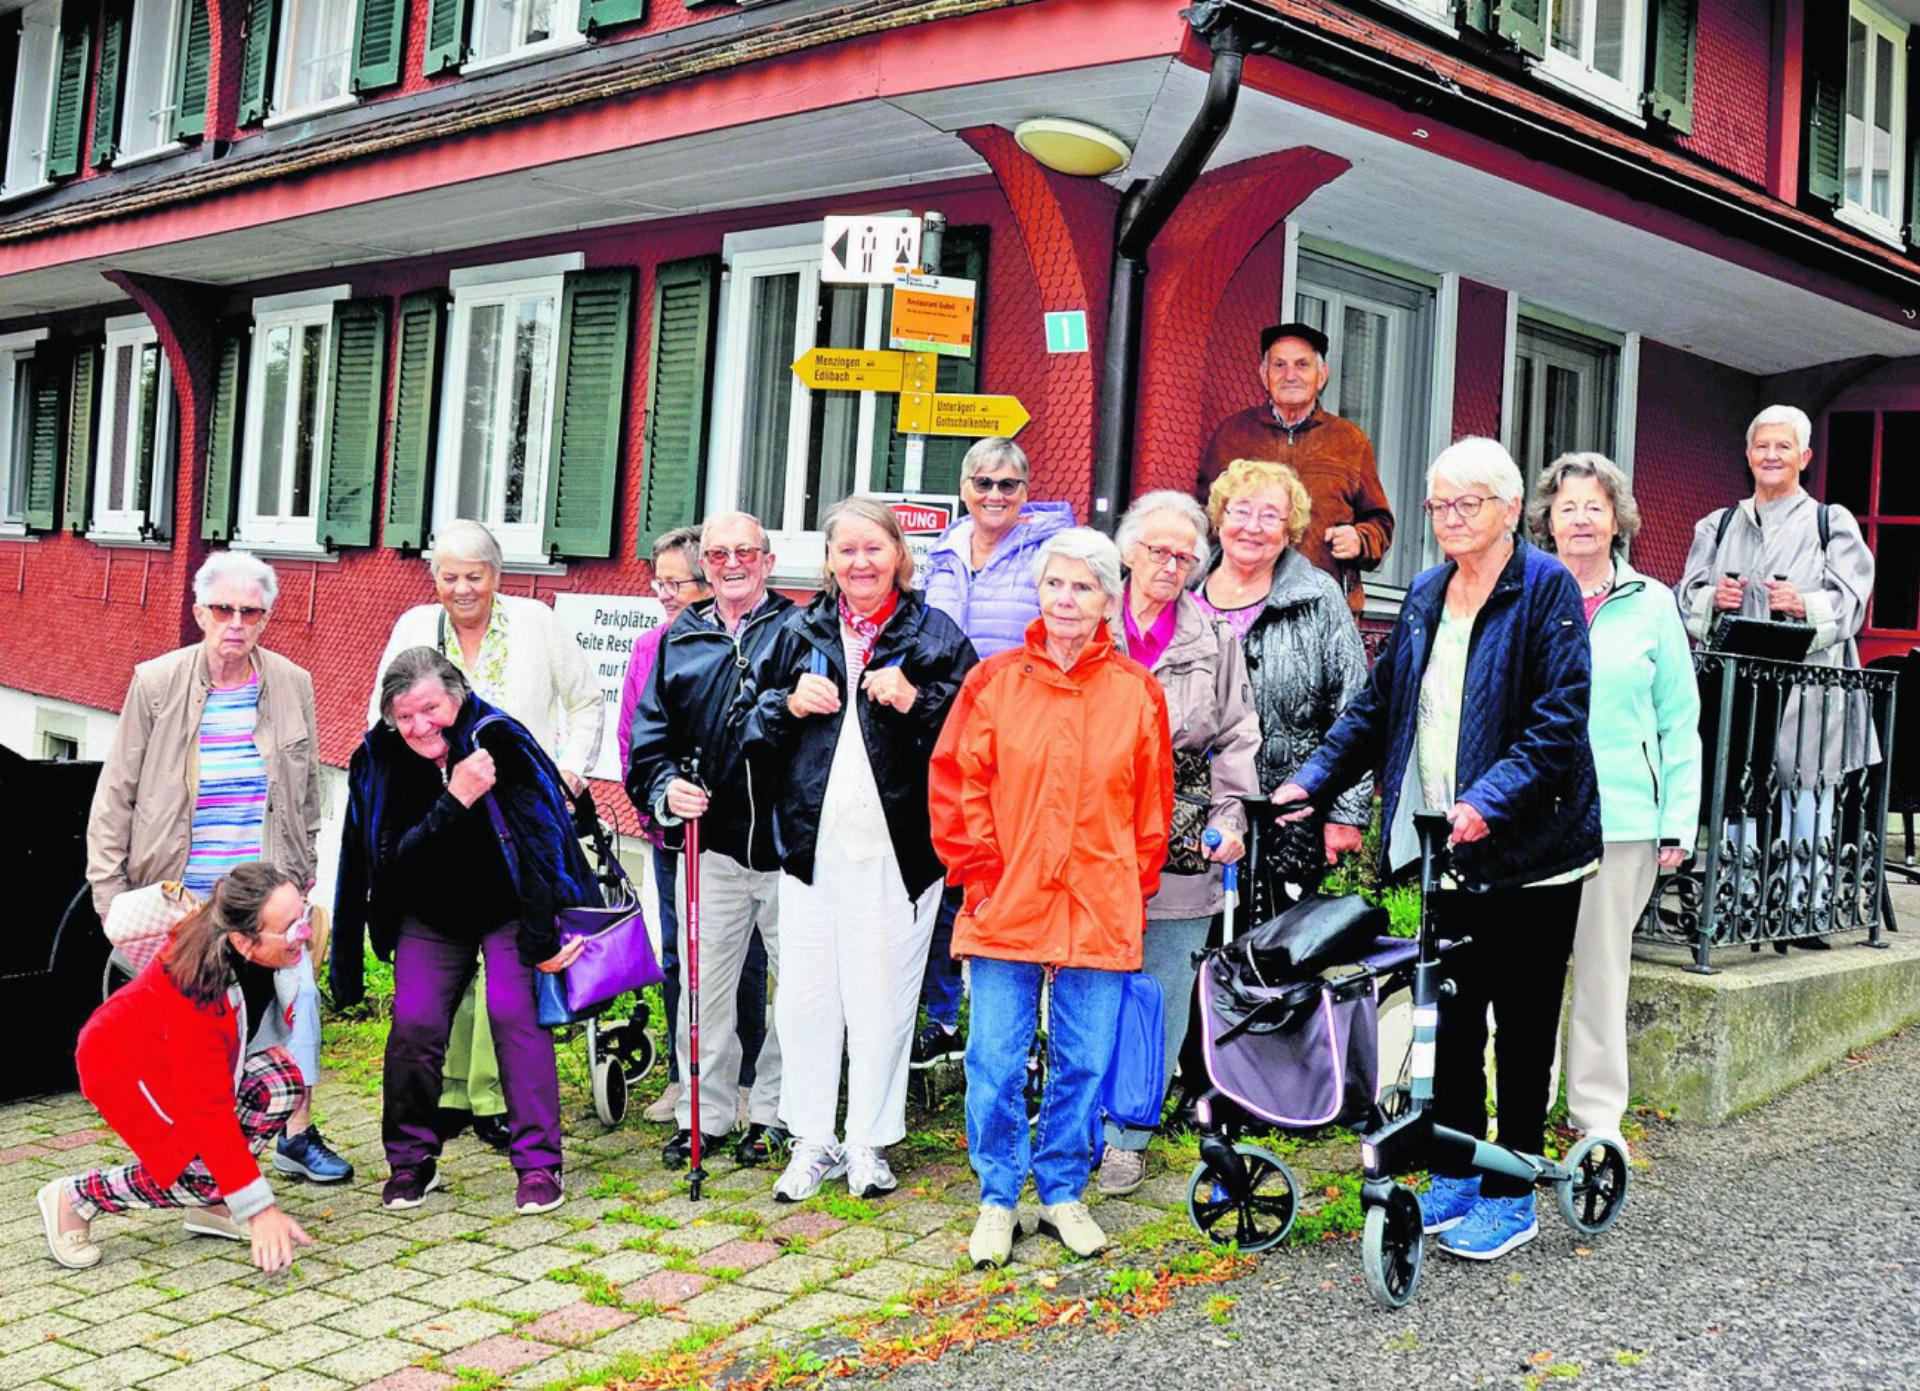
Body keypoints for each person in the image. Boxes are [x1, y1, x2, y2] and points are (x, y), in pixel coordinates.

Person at [1273, 437, 1601, 1263]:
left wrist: (1489, 801)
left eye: (1469, 504)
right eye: (1439, 505)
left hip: (1533, 852)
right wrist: (1309, 782)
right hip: (1442, 844)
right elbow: (1376, 708)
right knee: (1451, 1016)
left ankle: (1514, 1184)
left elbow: (1558, 722)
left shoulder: (1545, 587)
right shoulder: (1425, 592)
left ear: (1507, 509)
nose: (1452, 519)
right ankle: (1457, 1163)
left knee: (1522, 1023)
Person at [930, 528, 1174, 1267]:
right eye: (1054, 585)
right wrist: (984, 871)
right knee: (996, 1059)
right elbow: (956, 781)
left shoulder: (1137, 691)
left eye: (1083, 587)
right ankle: (998, 1196)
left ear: (1108, 598)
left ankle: (1063, 1188)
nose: (1066, 600)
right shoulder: (995, 681)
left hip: (1099, 904)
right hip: (1008, 899)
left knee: (1083, 1060)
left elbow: (1152, 810)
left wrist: (1126, 885)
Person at [85, 551, 350, 1190]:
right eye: (224, 609)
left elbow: (307, 789)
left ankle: (296, 1134)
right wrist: (109, 892)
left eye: (250, 611)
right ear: (200, 611)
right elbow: (116, 791)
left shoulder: (292, 683)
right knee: (196, 1027)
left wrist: (304, 867)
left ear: (265, 617)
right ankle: (199, 1150)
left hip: (264, 893)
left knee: (293, 1004)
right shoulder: (156, 682)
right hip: (182, 895)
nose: (236, 623)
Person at [742, 497, 976, 1202]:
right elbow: (743, 720)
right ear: (830, 561)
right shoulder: (796, 629)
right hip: (812, 849)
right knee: (807, 1000)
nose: (861, 562)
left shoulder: (932, 631)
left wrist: (917, 700)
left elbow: (974, 728)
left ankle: (870, 1142)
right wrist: (785, 705)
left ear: (900, 555)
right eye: (846, 550)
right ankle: (813, 1138)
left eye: (874, 548)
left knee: (883, 999)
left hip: (899, 854)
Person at [333, 648, 600, 1215]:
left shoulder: (498, 738)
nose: (419, 726)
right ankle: (410, 1162)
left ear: (456, 695)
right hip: (428, 915)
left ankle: (538, 1164)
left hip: (509, 908)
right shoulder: (379, 759)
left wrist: (544, 939)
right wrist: (455, 799)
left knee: (513, 1014)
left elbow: (544, 846)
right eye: (404, 716)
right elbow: (387, 868)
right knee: (415, 1023)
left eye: (430, 708)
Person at [366, 520, 603, 1150]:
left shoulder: (536, 624)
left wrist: (570, 773)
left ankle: (494, 1099)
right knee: (441, 976)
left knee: (510, 983)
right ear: (433, 578)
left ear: (498, 575)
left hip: (517, 832)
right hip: (441, 826)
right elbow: (383, 718)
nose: (462, 588)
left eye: (476, 575)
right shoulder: (415, 629)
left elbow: (585, 702)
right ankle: (449, 1094)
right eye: (450, 576)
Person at [1529, 453, 1701, 1149]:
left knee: (1601, 972)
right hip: (1533, 818)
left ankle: (1595, 1118)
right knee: (1525, 967)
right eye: (1566, 507)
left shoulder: (1652, 602)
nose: (1579, 519)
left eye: (1593, 507)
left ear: (1616, 519)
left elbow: (1678, 719)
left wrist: (1676, 818)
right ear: (1547, 518)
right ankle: (1518, 1102)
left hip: (1624, 821)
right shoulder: (1527, 593)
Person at [1093, 491, 1258, 1197]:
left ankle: (1127, 1134)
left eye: (1184, 555)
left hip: (1182, 830)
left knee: (1158, 990)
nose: (1169, 564)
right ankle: (1073, 1120)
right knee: (1088, 983)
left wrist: (1232, 819)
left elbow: (1237, 737)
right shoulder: (1085, 619)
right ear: (1127, 551)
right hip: (1091, 831)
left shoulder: (1214, 638)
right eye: (1157, 550)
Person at [39, 863, 316, 1274]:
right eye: (292, 926)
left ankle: (212, 1202)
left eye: (304, 915)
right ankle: (77, 1196)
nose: (305, 932)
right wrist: (259, 1209)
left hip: (183, 1064)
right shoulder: (195, 991)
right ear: (243, 940)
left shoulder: (244, 949)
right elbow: (208, 1113)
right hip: (124, 1070)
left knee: (280, 1081)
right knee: (200, 1171)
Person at [626, 512, 792, 1169]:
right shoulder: (680, 639)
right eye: (718, 552)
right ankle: (706, 1117)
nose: (730, 563)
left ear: (768, 560)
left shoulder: (800, 630)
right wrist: (667, 788)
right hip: (712, 846)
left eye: (743, 552)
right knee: (705, 988)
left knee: (798, 989)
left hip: (789, 849)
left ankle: (777, 1115)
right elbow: (649, 740)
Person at [1675, 404, 1876, 941]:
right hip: (1737, 688)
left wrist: (1803, 604)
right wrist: (1712, 598)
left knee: (1803, 790)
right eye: (1762, 446)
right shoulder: (1716, 525)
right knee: (1738, 790)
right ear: (1747, 455)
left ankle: (1800, 910)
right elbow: (1685, 598)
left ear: (1804, 458)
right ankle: (1735, 904)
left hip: (1809, 690)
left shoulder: (1831, 523)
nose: (1771, 455)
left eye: (1783, 447)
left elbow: (1853, 603)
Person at [915, 437, 1075, 1069]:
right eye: (982, 483)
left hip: (1021, 742)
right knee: (952, 876)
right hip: (947, 734)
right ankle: (941, 1018)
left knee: (1016, 883)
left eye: (1008, 485)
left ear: (1026, 492)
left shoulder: (1049, 555)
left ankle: (1020, 1039)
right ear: (963, 489)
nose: (994, 496)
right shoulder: (943, 552)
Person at [1199, 458, 1371, 893]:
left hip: (1287, 821)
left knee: (1268, 953)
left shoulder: (1319, 596)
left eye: (1270, 515)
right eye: (1240, 511)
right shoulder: (1184, 591)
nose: (1252, 527)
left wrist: (1345, 814)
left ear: (1289, 530)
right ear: (1219, 519)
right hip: (1192, 816)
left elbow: (1355, 709)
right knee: (1185, 951)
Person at [1199, 323, 1395, 613]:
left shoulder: (1351, 442)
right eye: (1279, 365)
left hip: (1323, 609)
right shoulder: (1232, 434)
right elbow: (1204, 515)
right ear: (1264, 376)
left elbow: (1380, 523)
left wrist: (1360, 538)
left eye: (1302, 365)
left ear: (1322, 375)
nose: (1290, 375)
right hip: (1241, 606)